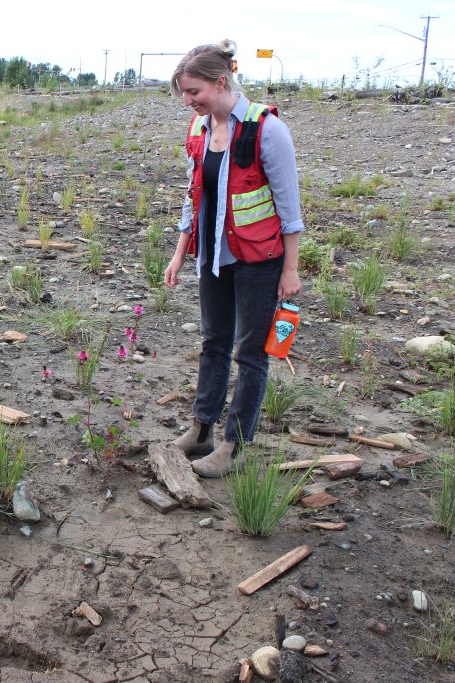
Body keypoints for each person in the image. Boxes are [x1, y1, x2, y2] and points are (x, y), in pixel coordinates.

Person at [163, 40, 304, 477]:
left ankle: (234, 444)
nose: (188, 102)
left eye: (193, 92)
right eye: (184, 95)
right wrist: (181, 251)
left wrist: (291, 270)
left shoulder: (266, 129)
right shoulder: (199, 130)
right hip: (214, 257)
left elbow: (289, 207)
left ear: (220, 82)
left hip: (259, 261)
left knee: (250, 353)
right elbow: (194, 195)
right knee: (213, 343)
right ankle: (201, 428)